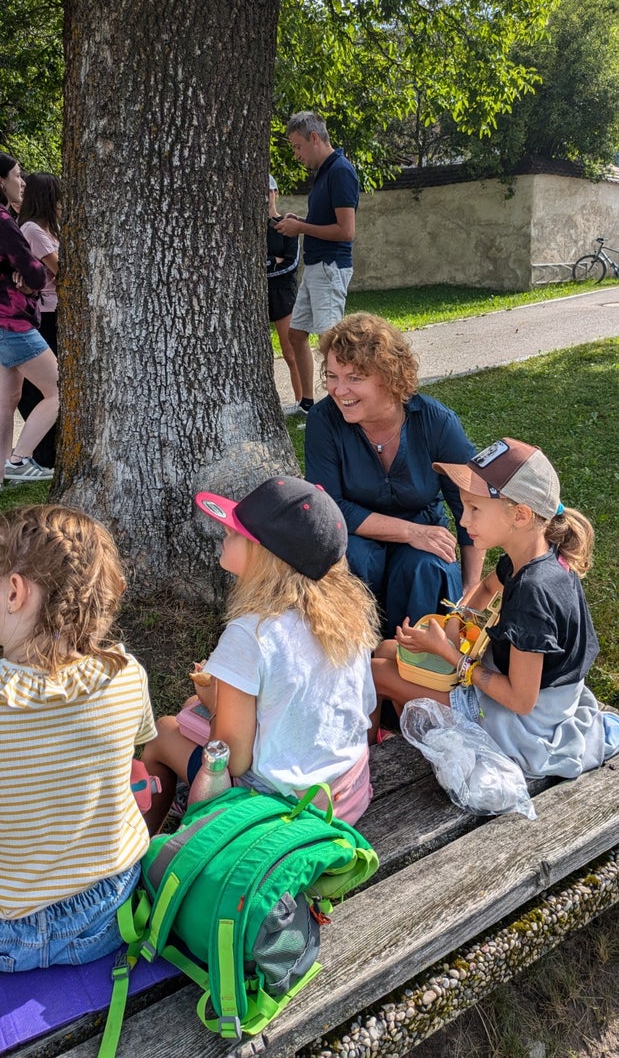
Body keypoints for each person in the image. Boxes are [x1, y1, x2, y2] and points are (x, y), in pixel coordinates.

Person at [142, 475, 380, 833]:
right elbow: (360, 707)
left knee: (162, 732)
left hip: (279, 814)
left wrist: (217, 703)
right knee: (195, 706)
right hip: (345, 797)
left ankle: (143, 853)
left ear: (266, 554)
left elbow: (233, 760)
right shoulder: (350, 617)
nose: (225, 532)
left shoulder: (251, 633)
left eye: (236, 531)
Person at [372, 437, 619, 779]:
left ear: (520, 515)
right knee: (387, 650)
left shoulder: (534, 594)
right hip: (517, 694)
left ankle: (364, 775)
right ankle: (425, 736)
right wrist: (459, 619)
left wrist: (449, 654)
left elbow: (520, 701)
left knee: (376, 673)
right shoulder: (533, 554)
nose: (463, 520)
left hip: (523, 726)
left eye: (475, 509)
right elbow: (487, 587)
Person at [0, 504, 157, 970]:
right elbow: (131, 763)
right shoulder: (127, 676)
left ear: (15, 592)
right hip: (108, 914)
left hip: (11, 935)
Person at [304, 313, 484, 638]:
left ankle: (419, 672)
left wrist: (471, 587)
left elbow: (470, 502)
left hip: (422, 531)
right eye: (332, 376)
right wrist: (411, 532)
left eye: (354, 378)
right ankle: (358, 663)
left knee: (430, 567)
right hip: (356, 535)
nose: (338, 390)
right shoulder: (323, 421)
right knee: (352, 559)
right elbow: (329, 508)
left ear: (388, 377)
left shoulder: (436, 422)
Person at [275, 112, 359, 418]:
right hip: (315, 267)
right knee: (296, 334)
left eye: (297, 147)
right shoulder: (324, 172)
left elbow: (345, 231)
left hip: (330, 267)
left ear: (314, 138)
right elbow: (326, 223)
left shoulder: (341, 172)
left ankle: (343, 405)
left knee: (332, 343)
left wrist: (302, 229)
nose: (296, 155)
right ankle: (309, 404)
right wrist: (302, 221)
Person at [0, 152, 58, 481]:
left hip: (5, 321)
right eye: (16, 175)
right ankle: (20, 460)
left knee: (7, 401)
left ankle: (3, 473)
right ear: (1, 181)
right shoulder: (5, 221)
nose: (21, 182)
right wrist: (23, 276)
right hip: (13, 321)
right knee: (59, 390)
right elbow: (36, 274)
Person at [18, 172, 62, 469]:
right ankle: (38, 454)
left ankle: (45, 452)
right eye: (58, 198)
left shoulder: (47, 229)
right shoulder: (33, 229)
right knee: (45, 386)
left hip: (54, 310)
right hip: (44, 314)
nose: (62, 205)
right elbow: (60, 267)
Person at [267, 174, 302, 406]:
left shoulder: (287, 226)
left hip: (283, 294)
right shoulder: (250, 229)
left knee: (290, 352)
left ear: (276, 193)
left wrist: (268, 264)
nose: (265, 196)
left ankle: (301, 400)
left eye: (269, 191)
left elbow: (290, 264)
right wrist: (272, 260)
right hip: (259, 295)